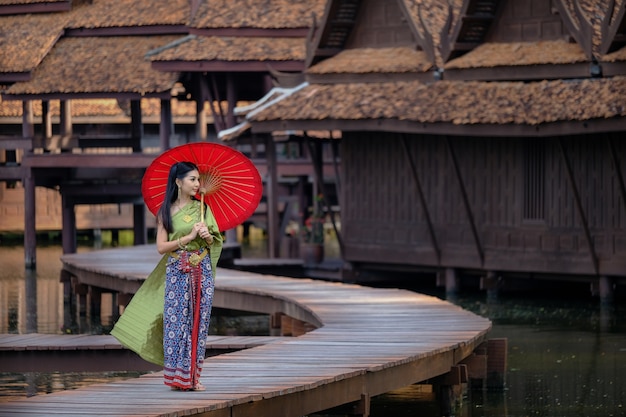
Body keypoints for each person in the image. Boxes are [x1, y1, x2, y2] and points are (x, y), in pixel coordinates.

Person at [111, 161, 223, 392]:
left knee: (197, 324)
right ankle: (176, 379)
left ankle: (193, 378)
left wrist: (206, 236)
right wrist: (189, 236)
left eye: (197, 179)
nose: (197, 184)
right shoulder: (166, 211)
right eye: (192, 179)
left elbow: (214, 241)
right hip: (175, 271)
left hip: (200, 271)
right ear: (178, 182)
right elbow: (161, 247)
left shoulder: (202, 208)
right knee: (175, 323)